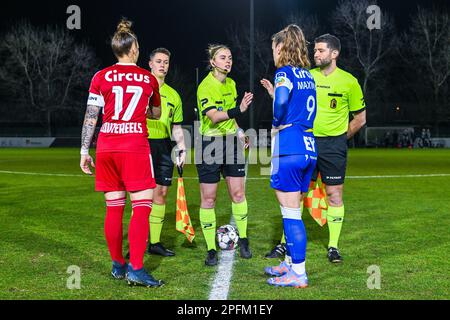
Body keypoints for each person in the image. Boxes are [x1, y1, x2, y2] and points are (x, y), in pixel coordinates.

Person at [264, 33, 366, 264]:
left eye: (320, 50)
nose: (316, 54)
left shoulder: (349, 81)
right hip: (306, 140)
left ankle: (333, 246)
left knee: (334, 194)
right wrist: (274, 95)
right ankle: (284, 244)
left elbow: (360, 119)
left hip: (332, 145)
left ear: (334, 53)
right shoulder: (307, 76)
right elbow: (290, 102)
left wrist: (339, 138)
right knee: (296, 195)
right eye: (315, 50)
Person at [79, 19, 164, 287]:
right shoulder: (149, 78)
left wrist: (84, 150)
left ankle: (118, 265)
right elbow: (157, 113)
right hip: (134, 147)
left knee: (114, 208)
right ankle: (136, 269)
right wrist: (143, 110)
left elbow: (91, 116)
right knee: (141, 207)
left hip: (106, 146)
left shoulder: (100, 76)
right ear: (135, 48)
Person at [260, 24, 317, 288]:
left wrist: (275, 120)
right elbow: (295, 102)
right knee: (293, 210)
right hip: (308, 145)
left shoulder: (283, 72)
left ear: (281, 47)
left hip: (289, 146)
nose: (272, 53)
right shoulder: (308, 75)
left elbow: (283, 103)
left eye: (273, 47)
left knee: (290, 213)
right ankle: (291, 265)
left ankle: (299, 273)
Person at [196, 44, 254, 266]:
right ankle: (211, 249)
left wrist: (239, 131)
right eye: (223, 57)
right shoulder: (205, 86)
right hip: (210, 144)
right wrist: (238, 110)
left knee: (238, 194)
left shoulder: (231, 83)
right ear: (212, 62)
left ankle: (244, 240)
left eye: (230, 57)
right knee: (209, 199)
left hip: (231, 143)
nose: (228, 61)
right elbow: (213, 117)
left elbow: (230, 117)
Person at [146, 48, 186, 257]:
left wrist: (182, 148)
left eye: (166, 62)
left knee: (161, 194)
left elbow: (176, 127)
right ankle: (138, 240)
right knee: (141, 196)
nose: (163, 65)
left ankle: (154, 243)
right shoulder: (141, 87)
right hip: (141, 143)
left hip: (163, 146)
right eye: (159, 61)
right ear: (150, 64)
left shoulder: (173, 95)